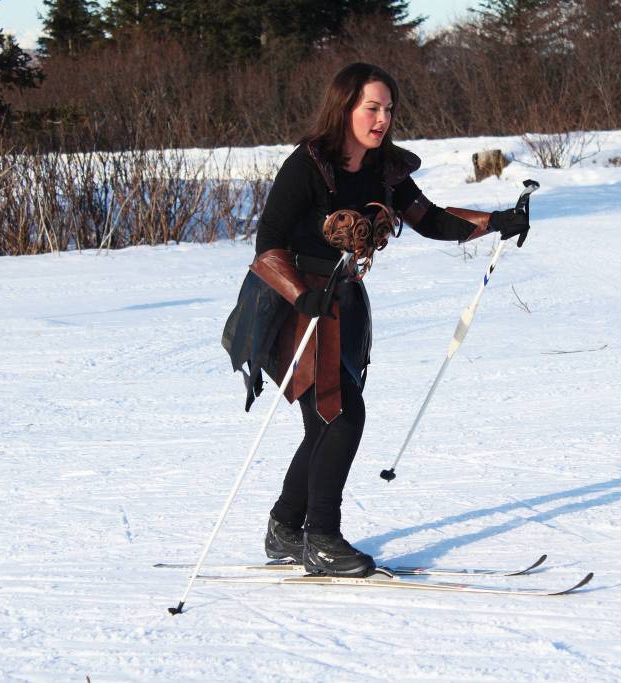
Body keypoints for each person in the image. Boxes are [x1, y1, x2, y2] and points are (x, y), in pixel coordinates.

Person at [222, 62, 530, 578]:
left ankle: (284, 527)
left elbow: (430, 219)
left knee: (326, 421)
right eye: (372, 107)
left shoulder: (385, 169)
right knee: (341, 416)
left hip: (339, 305)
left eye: (389, 108)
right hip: (289, 304)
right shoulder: (307, 165)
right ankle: (319, 538)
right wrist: (301, 295)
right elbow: (267, 245)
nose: (383, 118)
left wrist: (497, 221)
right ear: (345, 107)